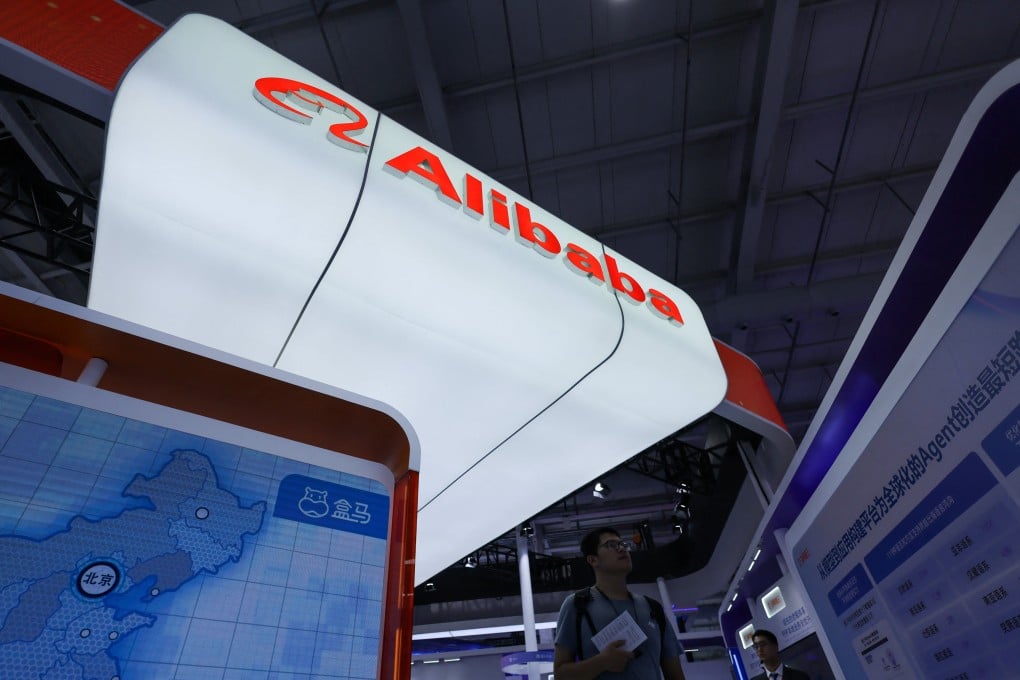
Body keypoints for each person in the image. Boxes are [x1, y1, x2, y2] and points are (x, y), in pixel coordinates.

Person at [553, 527, 686, 679]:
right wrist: (601, 662)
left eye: (623, 544)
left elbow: (675, 674)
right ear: (593, 560)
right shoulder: (577, 605)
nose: (622, 548)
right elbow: (560, 675)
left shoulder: (652, 607)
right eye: (611, 545)